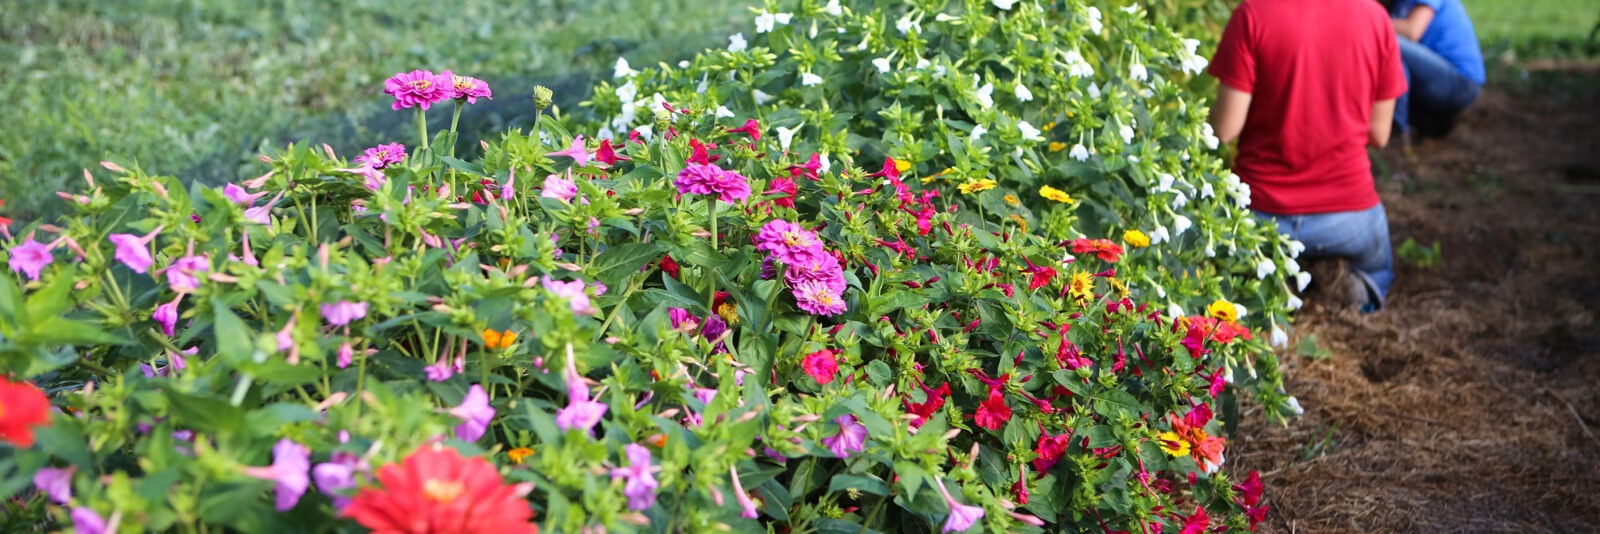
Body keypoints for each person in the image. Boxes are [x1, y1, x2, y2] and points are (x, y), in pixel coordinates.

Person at [1207, 0, 1408, 312]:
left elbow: (1224, 129)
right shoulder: (1375, 18)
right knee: (1378, 271)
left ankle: (1266, 285)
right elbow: (1379, 134)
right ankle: (1360, 290)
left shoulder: (1254, 13)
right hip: (1348, 218)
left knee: (1226, 269)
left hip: (1259, 213)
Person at [1385, 0, 1486, 139]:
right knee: (1389, 49)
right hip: (1435, 82)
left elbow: (1412, 30)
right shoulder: (1398, 4)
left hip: (1460, 82)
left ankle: (1396, 131)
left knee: (1389, 42)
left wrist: (1369, 19)